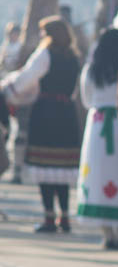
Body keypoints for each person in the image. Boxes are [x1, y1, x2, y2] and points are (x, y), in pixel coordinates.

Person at [2, 15, 82, 232]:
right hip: (66, 113)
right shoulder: (74, 57)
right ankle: (64, 217)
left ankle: (49, 218)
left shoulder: (45, 54)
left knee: (45, 164)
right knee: (61, 168)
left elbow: (26, 79)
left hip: (47, 113)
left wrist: (7, 89)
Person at [76, 28, 118, 249]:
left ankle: (108, 234)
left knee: (98, 174)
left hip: (98, 126)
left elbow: (86, 100)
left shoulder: (91, 70)